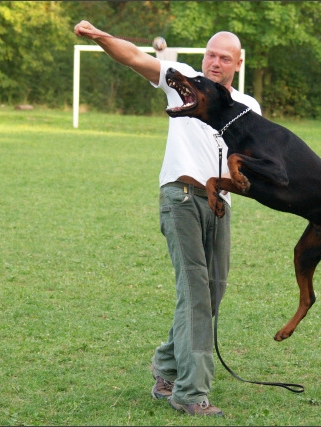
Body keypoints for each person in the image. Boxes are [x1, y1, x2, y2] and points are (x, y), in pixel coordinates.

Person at [74, 21, 261, 416]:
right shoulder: (185, 82)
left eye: (224, 57)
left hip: (220, 205)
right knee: (195, 291)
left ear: (238, 63)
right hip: (180, 197)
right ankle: (190, 394)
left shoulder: (248, 108)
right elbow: (135, 58)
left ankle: (166, 366)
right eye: (210, 54)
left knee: (213, 294)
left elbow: (254, 164)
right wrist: (101, 37)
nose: (214, 62)